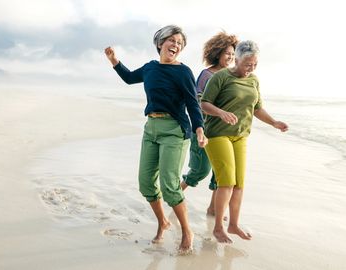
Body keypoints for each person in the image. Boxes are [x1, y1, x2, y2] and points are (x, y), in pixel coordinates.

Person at [104, 25, 208, 252]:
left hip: (175, 131)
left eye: (179, 43)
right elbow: (130, 78)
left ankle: (187, 231)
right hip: (151, 128)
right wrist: (114, 61)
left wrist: (199, 129)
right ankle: (163, 222)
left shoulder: (183, 72)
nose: (176, 45)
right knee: (145, 184)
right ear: (160, 43)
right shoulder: (150, 68)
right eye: (171, 40)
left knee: (169, 186)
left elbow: (192, 102)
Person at [201, 40, 288, 243]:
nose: (251, 68)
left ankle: (233, 224)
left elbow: (257, 108)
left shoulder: (254, 81)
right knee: (227, 182)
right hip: (217, 134)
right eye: (248, 63)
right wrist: (221, 113)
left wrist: (274, 122)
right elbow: (204, 103)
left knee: (239, 184)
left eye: (255, 64)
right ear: (237, 59)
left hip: (241, 135)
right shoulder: (221, 77)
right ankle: (218, 228)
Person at [180, 31, 238, 219]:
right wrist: (218, 113)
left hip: (224, 132)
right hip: (203, 130)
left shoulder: (233, 75)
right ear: (217, 53)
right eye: (227, 53)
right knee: (200, 170)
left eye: (232, 54)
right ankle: (177, 194)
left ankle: (214, 209)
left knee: (220, 173)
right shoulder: (206, 75)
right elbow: (198, 102)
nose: (230, 57)